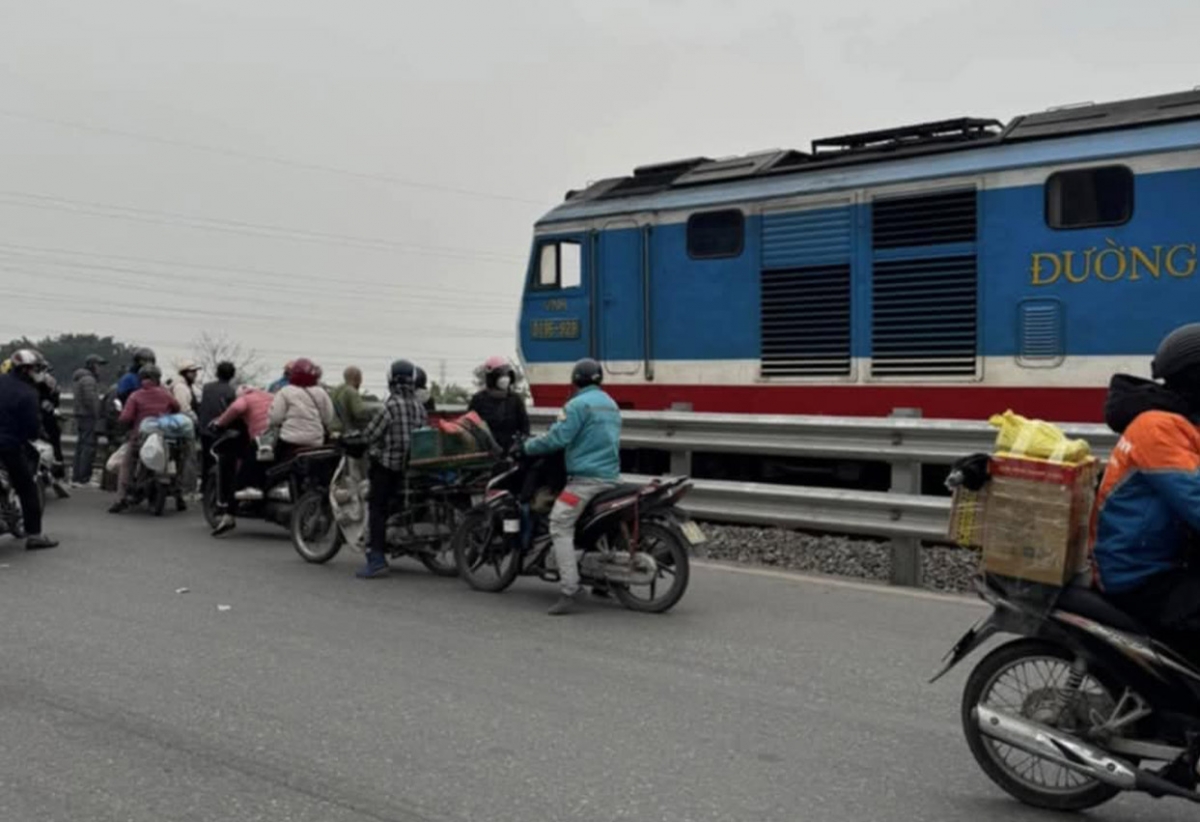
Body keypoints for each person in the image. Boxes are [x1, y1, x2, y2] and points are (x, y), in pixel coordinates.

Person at [1092, 323, 1200, 658]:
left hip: (1164, 559)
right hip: (1138, 573)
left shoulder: (1183, 423)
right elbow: (1194, 497)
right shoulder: (1157, 428)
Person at [521, 358, 620, 615]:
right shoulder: (610, 404)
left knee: (559, 523)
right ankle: (602, 581)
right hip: (610, 477)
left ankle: (569, 589)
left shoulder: (576, 405)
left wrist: (527, 446)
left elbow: (558, 437)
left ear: (575, 380)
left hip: (584, 480)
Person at [356, 359, 427, 578]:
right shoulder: (419, 407)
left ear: (391, 380)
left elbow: (370, 435)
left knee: (377, 508)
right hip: (411, 466)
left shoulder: (390, 406)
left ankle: (376, 558)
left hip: (389, 466)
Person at [0, 350, 59, 550]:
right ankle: (35, 535)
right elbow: (31, 428)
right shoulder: (28, 393)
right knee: (27, 487)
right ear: (26, 369)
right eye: (36, 368)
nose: (38, 372)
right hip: (8, 445)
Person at [109, 364, 180, 514]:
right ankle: (179, 494)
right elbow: (177, 407)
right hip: (163, 435)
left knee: (126, 464)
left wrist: (123, 422)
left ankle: (120, 499)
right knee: (173, 458)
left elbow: (126, 417)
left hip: (140, 437)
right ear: (158, 379)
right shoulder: (166, 394)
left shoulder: (136, 395)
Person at [208, 384, 274, 535]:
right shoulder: (270, 396)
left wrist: (219, 423)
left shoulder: (245, 399)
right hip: (280, 438)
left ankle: (229, 515)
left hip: (262, 440)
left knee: (242, 476)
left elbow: (236, 410)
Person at [268, 358, 334, 465]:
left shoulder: (285, 392)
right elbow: (328, 418)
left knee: (276, 466)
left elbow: (275, 418)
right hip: (315, 442)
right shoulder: (321, 393)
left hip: (289, 442)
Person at [468, 355, 530, 452]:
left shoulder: (515, 399)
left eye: (506, 375)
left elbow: (525, 428)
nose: (505, 379)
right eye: (501, 375)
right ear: (492, 377)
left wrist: (517, 446)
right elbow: (471, 427)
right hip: (485, 453)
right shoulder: (478, 399)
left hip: (511, 452)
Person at [197, 361, 237, 493]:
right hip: (221, 431)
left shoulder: (207, 388)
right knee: (222, 460)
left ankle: (204, 488)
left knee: (206, 459)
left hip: (204, 429)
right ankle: (219, 488)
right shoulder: (231, 391)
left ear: (217, 373)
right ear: (232, 375)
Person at [71, 354, 107, 487]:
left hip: (82, 416)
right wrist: (98, 415)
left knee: (81, 446)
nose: (101, 369)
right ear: (92, 365)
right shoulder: (88, 380)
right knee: (88, 447)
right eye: (99, 365)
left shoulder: (82, 378)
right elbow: (90, 400)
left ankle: (77, 477)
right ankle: (83, 478)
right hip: (88, 417)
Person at [330, 366, 373, 432]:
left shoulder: (337, 390)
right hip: (342, 430)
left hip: (331, 428)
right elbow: (360, 413)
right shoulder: (352, 392)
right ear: (357, 378)